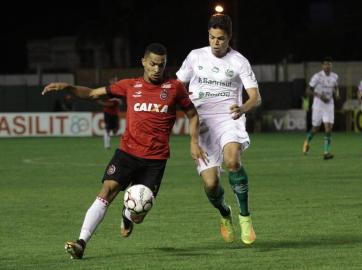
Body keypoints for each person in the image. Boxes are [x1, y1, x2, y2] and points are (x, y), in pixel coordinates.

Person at [42, 43, 206, 259]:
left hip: (155, 160)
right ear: (144, 62)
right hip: (127, 153)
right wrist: (68, 87)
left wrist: (194, 141)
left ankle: (128, 214)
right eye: (153, 64)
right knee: (107, 191)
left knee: (138, 214)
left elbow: (193, 114)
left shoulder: (175, 88)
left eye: (162, 65)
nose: (157, 69)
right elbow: (92, 93)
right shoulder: (130, 85)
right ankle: (81, 242)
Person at [176, 13, 261, 245]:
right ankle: (225, 213)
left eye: (221, 38)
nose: (216, 42)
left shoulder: (239, 61)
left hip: (228, 118)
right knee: (211, 184)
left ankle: (245, 216)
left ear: (229, 38)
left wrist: (243, 108)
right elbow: (177, 86)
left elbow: (255, 97)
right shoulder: (195, 56)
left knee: (232, 160)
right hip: (201, 124)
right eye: (212, 37)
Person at [302, 57, 339, 160]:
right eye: (325, 64)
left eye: (329, 64)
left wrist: (336, 94)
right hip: (318, 105)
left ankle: (326, 152)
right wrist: (319, 96)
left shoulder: (335, 76)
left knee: (328, 127)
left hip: (329, 105)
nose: (328, 66)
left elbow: (336, 87)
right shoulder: (317, 77)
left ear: (331, 65)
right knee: (315, 128)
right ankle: (307, 142)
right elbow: (308, 90)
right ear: (322, 66)